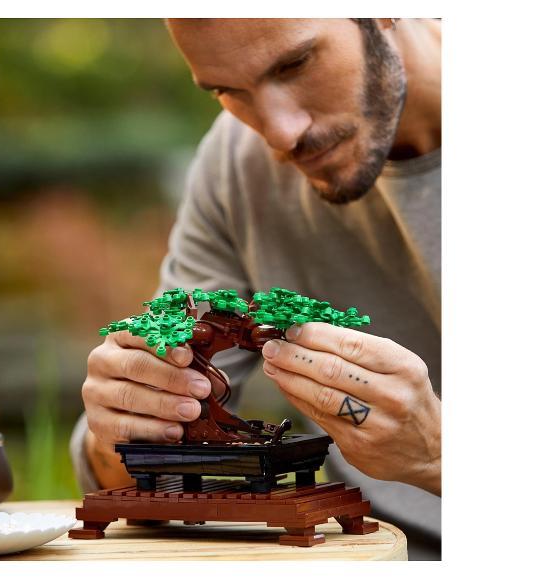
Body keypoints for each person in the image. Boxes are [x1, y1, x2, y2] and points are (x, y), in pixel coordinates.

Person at [70, 18, 442, 560]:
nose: (280, 134)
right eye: (227, 90)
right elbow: (112, 469)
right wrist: (125, 422)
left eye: (294, 64)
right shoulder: (233, 162)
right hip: (340, 552)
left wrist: (437, 456)